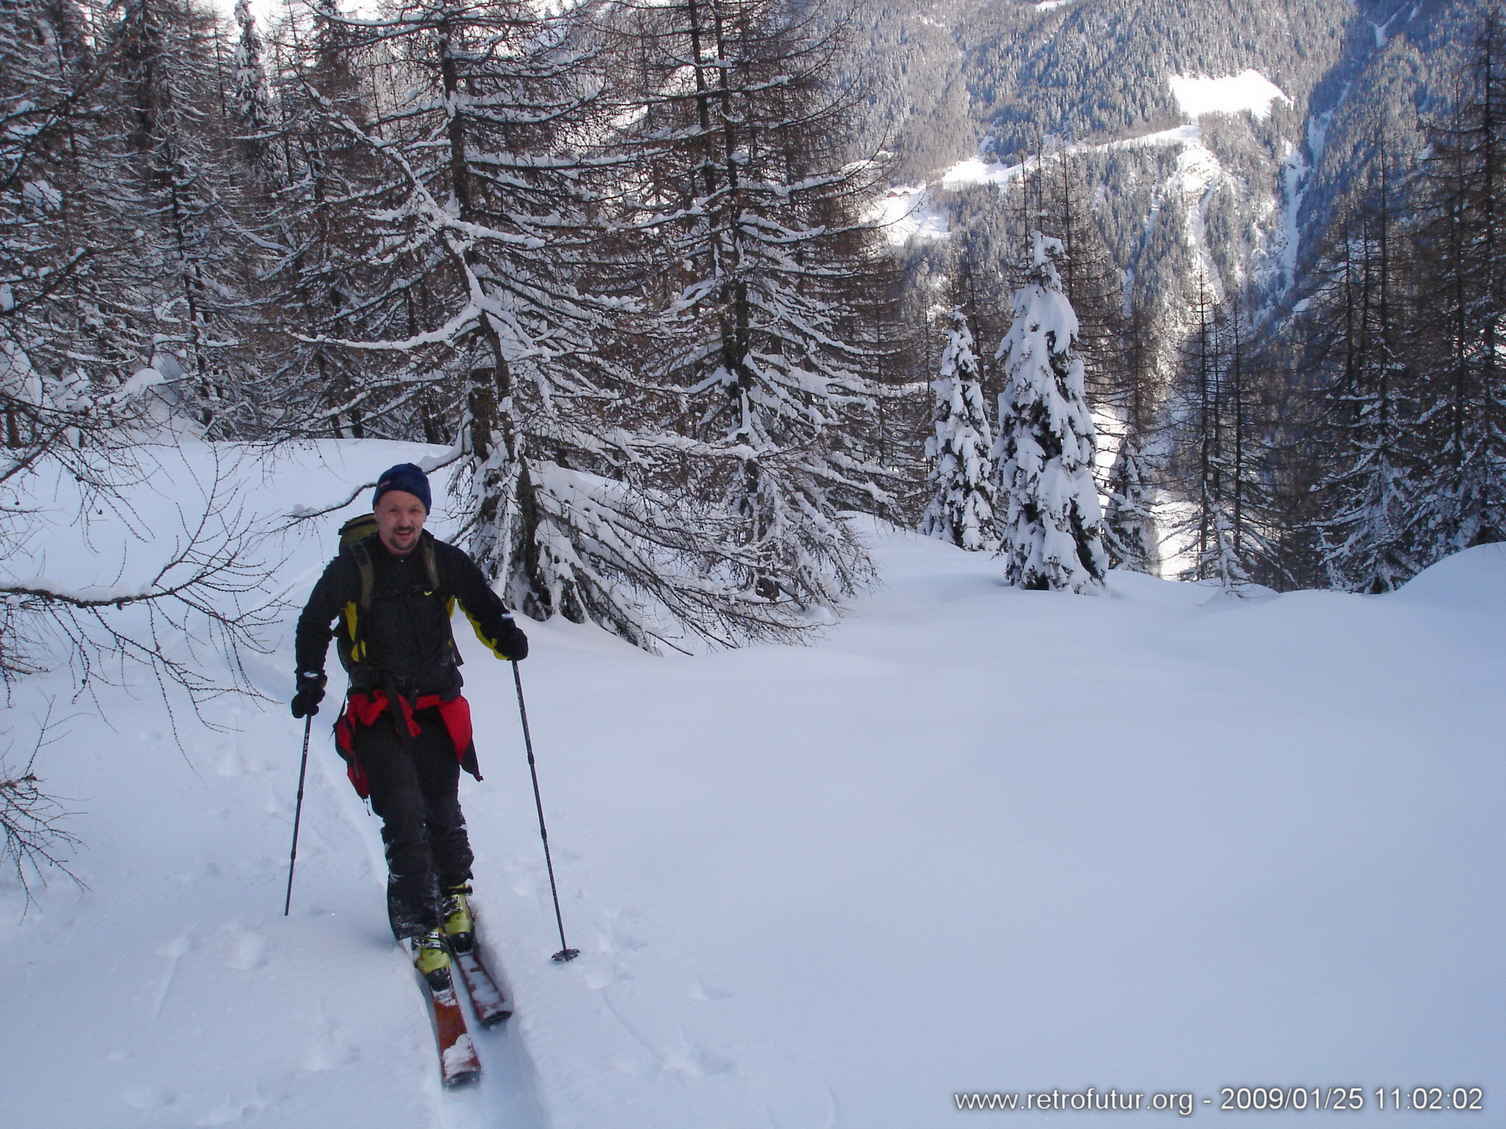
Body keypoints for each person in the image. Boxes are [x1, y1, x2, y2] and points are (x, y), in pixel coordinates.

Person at [291, 462, 529, 987]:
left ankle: (454, 895)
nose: (404, 520)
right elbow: (313, 621)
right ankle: (422, 926)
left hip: (436, 705)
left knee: (442, 806)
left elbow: (484, 607)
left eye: (414, 510)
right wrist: (311, 676)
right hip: (377, 711)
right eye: (394, 509)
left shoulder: (443, 561)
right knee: (402, 815)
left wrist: (505, 635)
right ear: (378, 511)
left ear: (425, 513)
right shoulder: (354, 567)